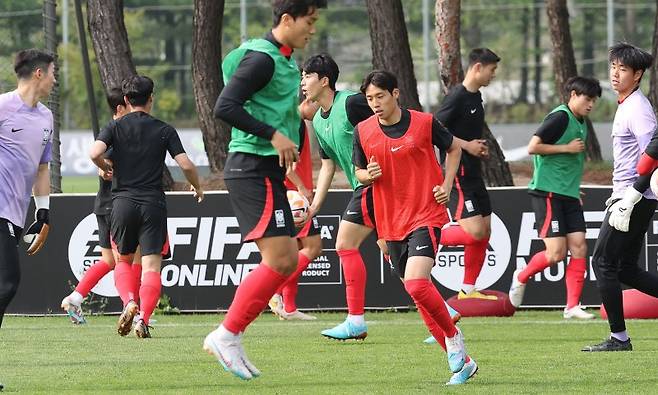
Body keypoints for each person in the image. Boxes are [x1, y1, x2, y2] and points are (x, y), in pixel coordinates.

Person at [207, 0, 326, 380]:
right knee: (281, 260)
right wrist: (274, 135)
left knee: (288, 258)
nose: (313, 29)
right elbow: (224, 106)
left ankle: (231, 335)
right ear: (287, 19)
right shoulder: (263, 59)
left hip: (267, 171)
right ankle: (227, 334)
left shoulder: (284, 60)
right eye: (309, 21)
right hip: (249, 169)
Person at [353, 70, 477, 385]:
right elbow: (359, 175)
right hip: (389, 222)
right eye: (369, 99)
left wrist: (447, 185)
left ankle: (453, 335)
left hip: (426, 213)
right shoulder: (363, 131)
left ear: (396, 93)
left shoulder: (424, 122)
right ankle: (463, 364)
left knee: (416, 284)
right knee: (420, 297)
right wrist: (368, 174)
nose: (375, 104)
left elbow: (453, 149)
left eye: (380, 96)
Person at [90, 75, 203, 339]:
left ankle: (129, 302)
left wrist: (105, 167)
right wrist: (197, 186)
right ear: (151, 99)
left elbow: (94, 152)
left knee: (124, 261)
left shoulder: (114, 127)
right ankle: (143, 319)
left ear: (126, 100)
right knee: (152, 266)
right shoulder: (164, 129)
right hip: (153, 203)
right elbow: (186, 165)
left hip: (122, 203)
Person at [581, 43, 658, 352]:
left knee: (602, 262)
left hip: (634, 196)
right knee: (625, 268)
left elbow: (654, 150)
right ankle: (618, 338)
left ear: (638, 75)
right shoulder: (627, 104)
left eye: (623, 69)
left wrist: (632, 196)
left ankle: (619, 339)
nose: (615, 73)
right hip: (632, 195)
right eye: (613, 66)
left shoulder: (638, 108)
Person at [508, 77, 602, 319]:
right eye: (587, 98)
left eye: (593, 100)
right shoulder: (559, 117)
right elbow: (533, 147)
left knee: (580, 246)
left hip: (569, 195)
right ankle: (521, 276)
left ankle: (571, 307)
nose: (591, 104)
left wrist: (572, 187)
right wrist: (566, 148)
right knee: (556, 253)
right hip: (548, 193)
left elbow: (567, 165)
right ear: (573, 95)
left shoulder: (581, 121)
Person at [299, 53, 377, 340]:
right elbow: (329, 164)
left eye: (307, 76)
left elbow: (387, 125)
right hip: (364, 187)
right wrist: (315, 205)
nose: (302, 82)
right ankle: (443, 313)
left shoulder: (353, 103)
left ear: (324, 80)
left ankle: (355, 321)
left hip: (378, 186)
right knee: (397, 256)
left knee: (345, 243)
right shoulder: (318, 121)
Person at [61, 88, 143, 325]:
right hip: (116, 206)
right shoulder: (118, 133)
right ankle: (134, 311)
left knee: (109, 261)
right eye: (129, 106)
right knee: (131, 259)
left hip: (103, 205)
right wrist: (107, 168)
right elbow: (102, 163)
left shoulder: (110, 132)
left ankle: (75, 298)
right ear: (121, 108)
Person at [434, 48, 500, 301]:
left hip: (475, 172)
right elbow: (435, 129)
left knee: (485, 230)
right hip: (459, 172)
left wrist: (478, 149)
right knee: (474, 232)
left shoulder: (476, 97)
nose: (493, 76)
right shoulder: (457, 97)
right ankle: (423, 234)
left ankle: (468, 289)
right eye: (492, 70)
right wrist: (467, 145)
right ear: (478, 67)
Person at [0, 49, 55, 328]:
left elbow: (42, 168)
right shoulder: (2, 106)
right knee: (8, 282)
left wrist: (42, 213)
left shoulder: (46, 118)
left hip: (17, 215)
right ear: (39, 73)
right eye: (53, 73)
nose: (54, 81)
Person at [268, 97, 323, 320]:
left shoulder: (293, 122)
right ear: (308, 102)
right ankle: (272, 290)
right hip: (293, 195)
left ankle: (289, 307)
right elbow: (287, 164)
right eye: (317, 105)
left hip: (292, 193)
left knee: (297, 249)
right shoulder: (294, 123)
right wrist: (302, 188)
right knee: (313, 246)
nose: (318, 111)